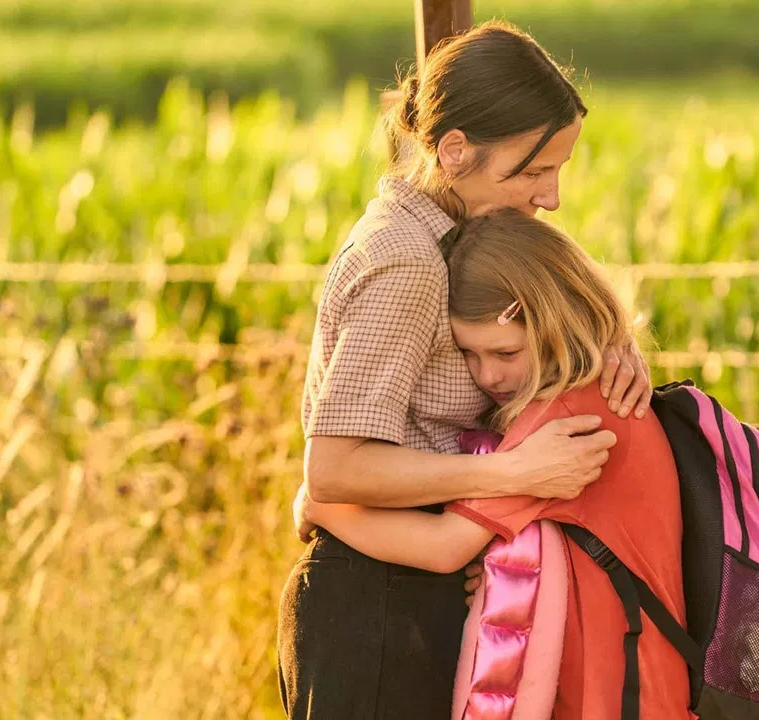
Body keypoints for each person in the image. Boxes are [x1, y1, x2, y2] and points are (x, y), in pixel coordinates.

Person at [278, 21, 656, 720]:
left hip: (419, 590)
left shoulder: (459, 236)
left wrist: (607, 342)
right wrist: (510, 476)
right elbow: (332, 470)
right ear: (454, 152)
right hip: (376, 609)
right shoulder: (408, 262)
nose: (552, 197)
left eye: (558, 169)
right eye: (532, 170)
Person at [301, 209, 691, 719]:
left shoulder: (561, 421)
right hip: (643, 677)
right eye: (469, 353)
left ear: (553, 322)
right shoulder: (599, 391)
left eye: (505, 352)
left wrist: (320, 505)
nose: (488, 375)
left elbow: (443, 548)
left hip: (611, 690)